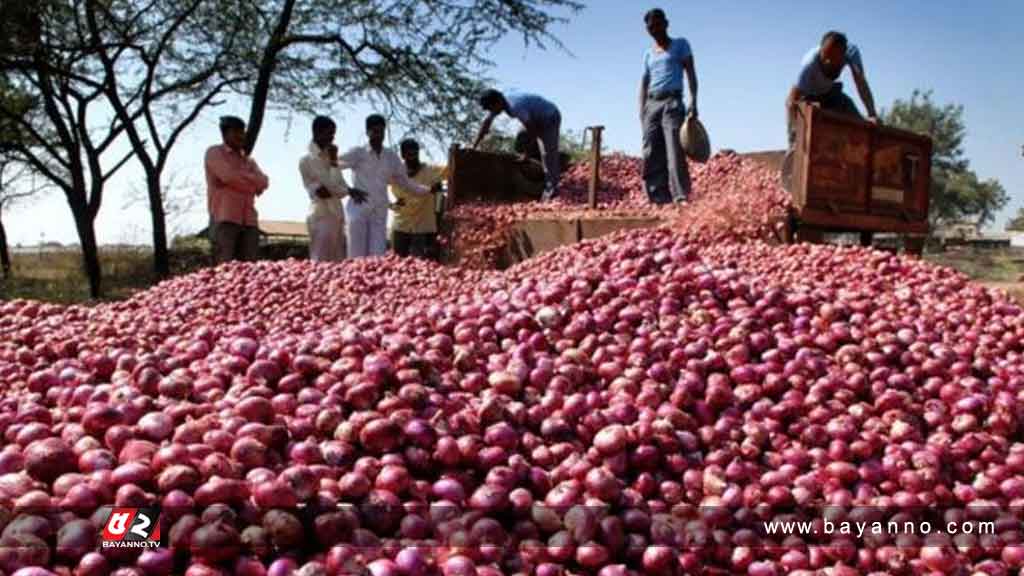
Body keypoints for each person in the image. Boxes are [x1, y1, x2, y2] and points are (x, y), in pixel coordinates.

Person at [338, 114, 441, 258]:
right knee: (356, 255)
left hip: (379, 211)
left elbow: (406, 183)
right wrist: (348, 190)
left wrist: (428, 190)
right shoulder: (358, 152)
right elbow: (333, 165)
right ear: (367, 132)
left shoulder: (391, 157)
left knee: (377, 256)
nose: (379, 135)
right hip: (359, 208)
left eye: (381, 131)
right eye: (375, 131)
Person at [639, 8, 698, 205]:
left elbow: (690, 72)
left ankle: (681, 195)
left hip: (672, 101)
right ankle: (658, 197)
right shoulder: (648, 54)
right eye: (650, 27)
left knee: (674, 149)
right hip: (652, 103)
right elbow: (644, 83)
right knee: (651, 151)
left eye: (657, 24)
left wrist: (694, 101)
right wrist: (642, 110)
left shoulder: (680, 45)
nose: (654, 29)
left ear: (666, 23)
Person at [786, 30, 879, 146]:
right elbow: (791, 101)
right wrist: (794, 136)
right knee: (811, 115)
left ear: (843, 56)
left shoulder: (851, 53)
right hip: (808, 98)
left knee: (859, 122)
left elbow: (861, 84)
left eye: (833, 60)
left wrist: (872, 114)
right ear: (821, 50)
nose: (827, 62)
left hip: (830, 93)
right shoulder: (809, 64)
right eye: (825, 58)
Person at [299, 116, 368, 262]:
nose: (332, 138)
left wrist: (334, 161)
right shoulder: (307, 160)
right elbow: (329, 188)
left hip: (336, 213)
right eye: (329, 133)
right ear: (317, 132)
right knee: (320, 260)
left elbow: (339, 185)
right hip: (321, 214)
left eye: (333, 134)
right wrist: (349, 191)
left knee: (336, 262)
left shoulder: (330, 158)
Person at [472, 89, 562, 201]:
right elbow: (486, 124)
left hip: (549, 117)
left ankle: (552, 191)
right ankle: (535, 163)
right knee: (522, 137)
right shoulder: (499, 101)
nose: (491, 112)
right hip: (533, 117)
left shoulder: (515, 106)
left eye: (491, 108)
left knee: (548, 155)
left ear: (498, 102)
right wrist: (474, 146)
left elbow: (532, 130)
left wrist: (527, 153)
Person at [204, 116, 269, 263]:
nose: (241, 136)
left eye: (242, 131)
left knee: (249, 269)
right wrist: (252, 183)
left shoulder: (248, 160)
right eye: (236, 132)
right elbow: (228, 176)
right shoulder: (214, 153)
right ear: (225, 134)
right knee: (223, 267)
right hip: (225, 218)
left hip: (249, 221)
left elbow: (264, 182)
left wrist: (239, 180)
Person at [389, 139, 447, 260]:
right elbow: (375, 188)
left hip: (423, 227)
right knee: (397, 263)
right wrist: (391, 205)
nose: (413, 158)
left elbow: (451, 167)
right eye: (409, 154)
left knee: (421, 265)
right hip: (401, 226)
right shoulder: (395, 174)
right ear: (403, 155)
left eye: (415, 153)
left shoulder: (431, 171)